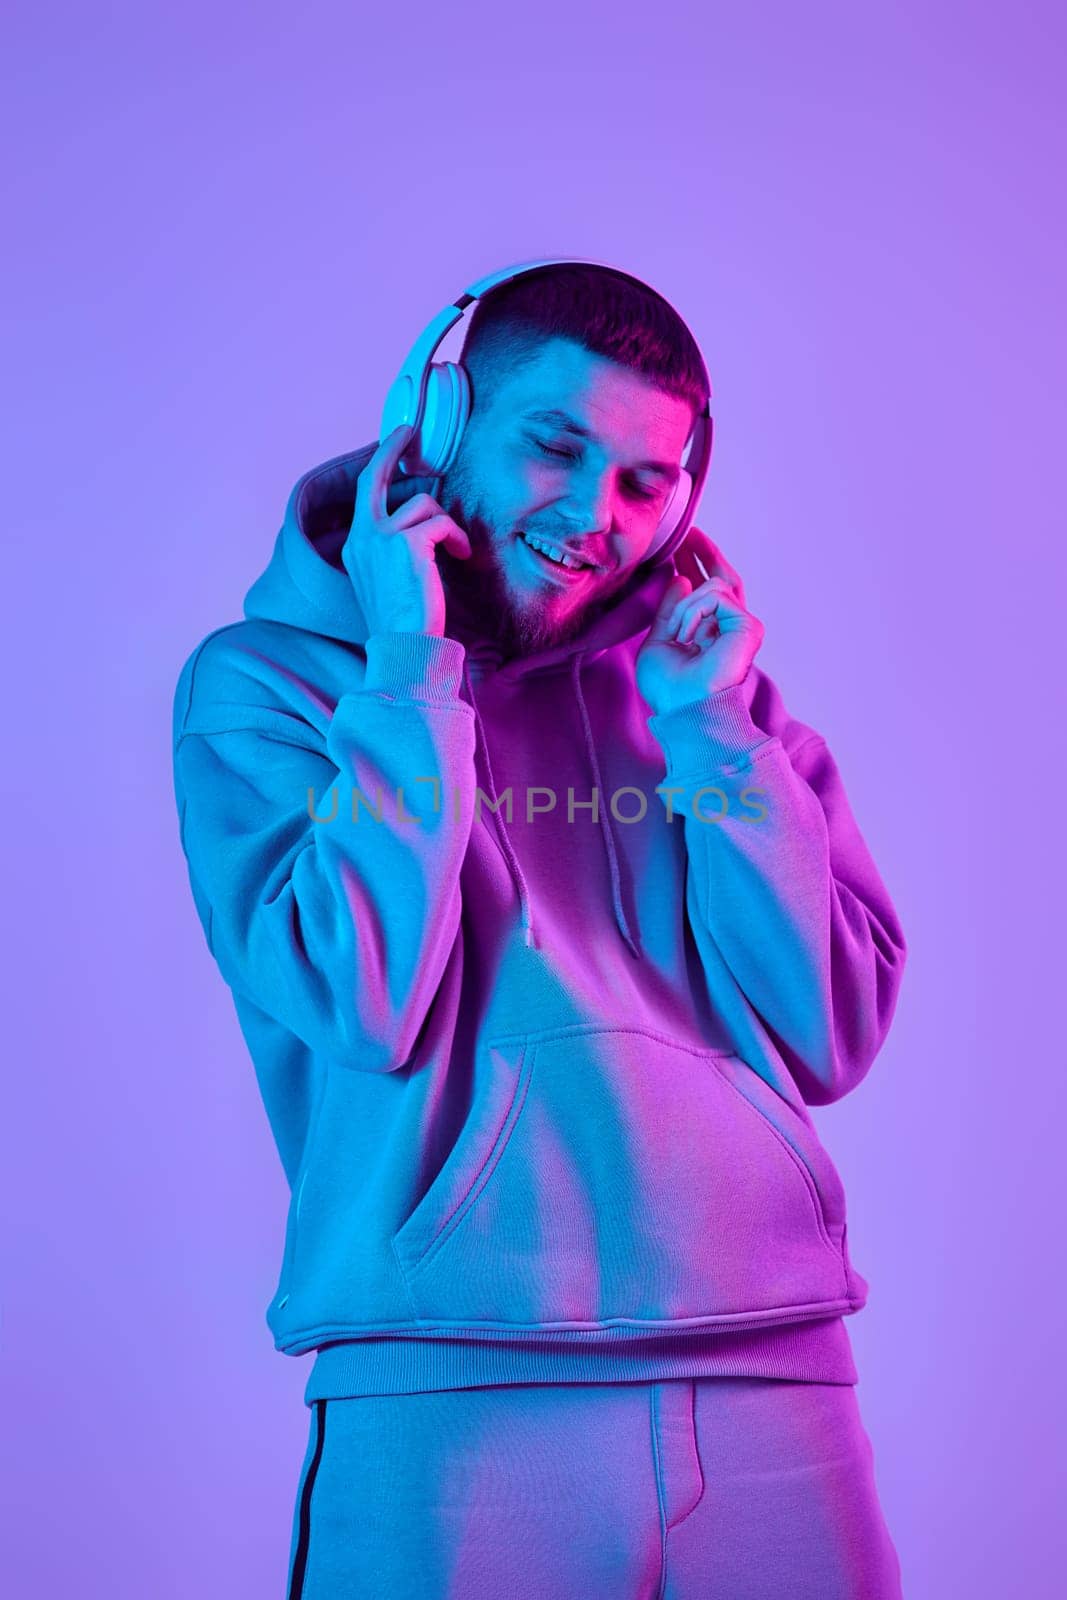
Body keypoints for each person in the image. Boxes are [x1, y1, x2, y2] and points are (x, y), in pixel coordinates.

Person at [171, 261, 907, 1598]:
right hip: (451, 1397)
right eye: (554, 449)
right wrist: (411, 676)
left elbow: (833, 1022)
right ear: (438, 432)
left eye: (644, 479)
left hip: (775, 1380)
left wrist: (709, 732)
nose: (596, 515)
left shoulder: (709, 689)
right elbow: (359, 1001)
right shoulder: (267, 686)